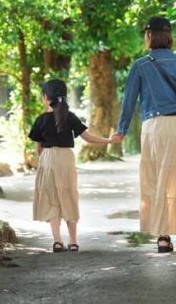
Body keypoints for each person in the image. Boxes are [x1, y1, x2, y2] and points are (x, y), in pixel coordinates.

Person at [113, 16, 176, 253]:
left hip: (154, 126)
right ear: (169, 36)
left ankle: (164, 236)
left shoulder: (141, 65)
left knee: (157, 178)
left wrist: (121, 130)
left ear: (149, 36)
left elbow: (129, 101)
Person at [29, 78, 119, 253]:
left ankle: (57, 241)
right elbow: (87, 137)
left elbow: (38, 149)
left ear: (45, 97)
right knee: (69, 195)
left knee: (51, 198)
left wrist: (47, 158)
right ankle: (73, 241)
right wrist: (108, 140)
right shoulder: (69, 117)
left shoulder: (41, 120)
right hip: (67, 159)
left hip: (48, 159)